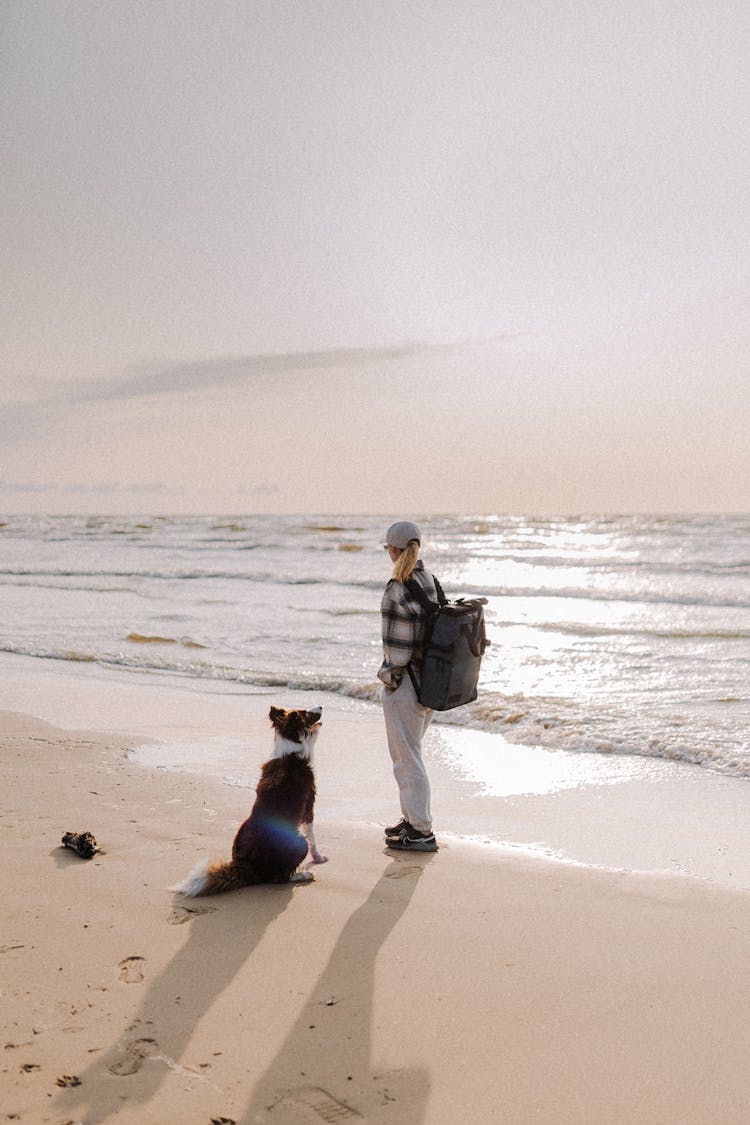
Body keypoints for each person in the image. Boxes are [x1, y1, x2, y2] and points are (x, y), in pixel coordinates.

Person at [378, 520, 439, 852]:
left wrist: (388, 678)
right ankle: (412, 821)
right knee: (411, 756)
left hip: (405, 686)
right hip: (429, 685)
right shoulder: (428, 580)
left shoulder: (396, 587)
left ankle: (421, 830)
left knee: (407, 760)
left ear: (393, 550)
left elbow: (397, 651)